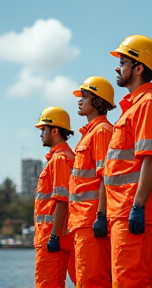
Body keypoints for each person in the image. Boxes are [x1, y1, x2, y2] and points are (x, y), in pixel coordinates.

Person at [104, 35, 152, 288]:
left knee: (131, 282)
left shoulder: (148, 105)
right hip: (123, 211)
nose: (117, 67)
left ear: (139, 68)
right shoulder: (134, 108)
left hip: (133, 209)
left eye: (122, 62)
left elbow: (151, 159)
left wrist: (138, 206)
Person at [68, 76, 115, 287]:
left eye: (84, 96)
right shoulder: (89, 134)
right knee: (84, 280)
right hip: (82, 222)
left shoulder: (102, 131)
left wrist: (101, 215)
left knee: (93, 280)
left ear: (97, 101)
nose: (80, 100)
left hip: (91, 220)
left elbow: (105, 175)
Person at [34, 106, 76, 288]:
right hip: (53, 237)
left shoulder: (60, 159)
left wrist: (54, 237)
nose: (41, 134)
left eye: (43, 129)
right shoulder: (61, 157)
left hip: (51, 238)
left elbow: (62, 200)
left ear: (55, 130)